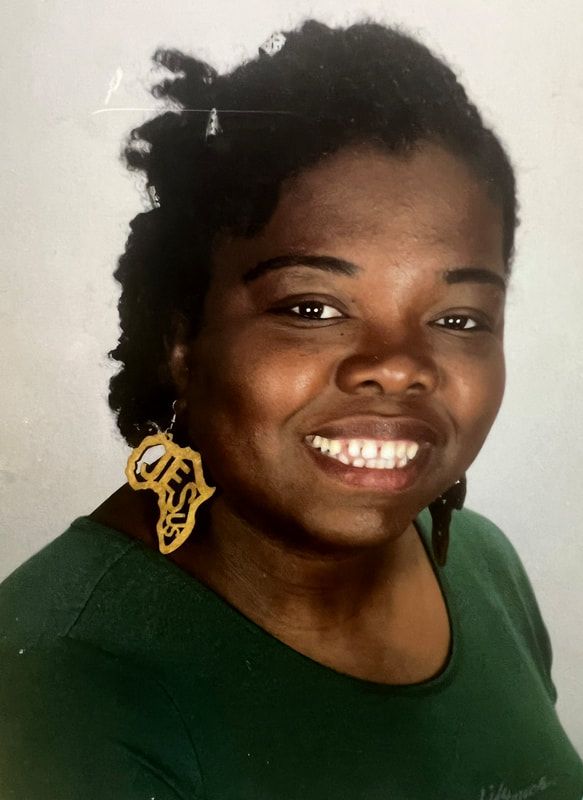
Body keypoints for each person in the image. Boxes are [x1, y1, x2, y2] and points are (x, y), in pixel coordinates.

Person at [0, 18, 581, 800]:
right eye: (311, 308)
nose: (397, 368)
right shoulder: (59, 685)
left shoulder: (481, 565)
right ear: (182, 338)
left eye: (458, 320)